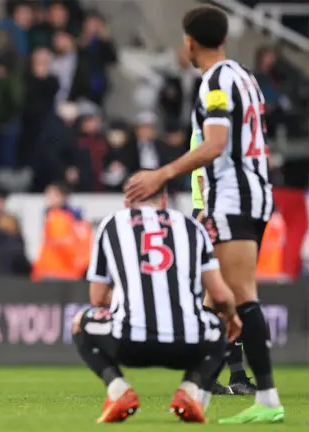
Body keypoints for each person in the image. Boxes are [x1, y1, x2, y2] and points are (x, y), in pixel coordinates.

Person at [124, 5, 284, 424]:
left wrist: (162, 173)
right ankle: (199, 393)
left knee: (238, 295)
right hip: (252, 194)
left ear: (191, 41)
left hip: (231, 198)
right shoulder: (246, 77)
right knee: (215, 297)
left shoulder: (215, 81)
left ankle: (265, 399)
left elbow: (214, 144)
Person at [75, 186, 241, 423]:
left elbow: (97, 299)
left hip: (128, 342)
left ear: (127, 202)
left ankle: (118, 389)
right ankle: (190, 390)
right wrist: (232, 315)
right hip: (186, 344)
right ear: (164, 200)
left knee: (80, 322)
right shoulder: (191, 226)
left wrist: (129, 297)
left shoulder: (112, 224)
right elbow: (221, 296)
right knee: (220, 325)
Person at [190, 130, 252, 396]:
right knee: (221, 295)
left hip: (221, 213)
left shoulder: (218, 127)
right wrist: (209, 210)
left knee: (225, 296)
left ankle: (221, 374)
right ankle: (208, 374)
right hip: (213, 213)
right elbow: (204, 173)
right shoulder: (208, 129)